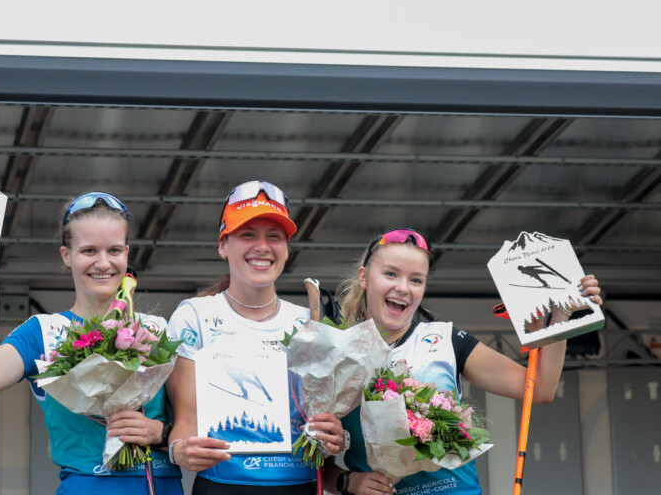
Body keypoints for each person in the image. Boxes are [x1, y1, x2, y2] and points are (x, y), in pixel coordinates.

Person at [322, 228, 603, 495]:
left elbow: (540, 388)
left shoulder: (445, 339)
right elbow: (313, 457)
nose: (403, 288)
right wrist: (348, 482)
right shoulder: (334, 355)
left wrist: (561, 316)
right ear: (364, 277)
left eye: (416, 279)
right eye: (391, 274)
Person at [0, 191, 182, 495]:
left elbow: (198, 424)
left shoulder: (159, 329)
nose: (103, 263)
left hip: (162, 485)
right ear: (67, 255)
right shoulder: (44, 332)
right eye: (89, 250)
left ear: (127, 254)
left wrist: (161, 433)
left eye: (114, 250)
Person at [165, 180, 347, 495]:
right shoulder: (194, 316)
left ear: (287, 249)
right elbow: (185, 422)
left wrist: (335, 436)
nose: (262, 247)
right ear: (223, 245)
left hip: (299, 487)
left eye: (274, 236)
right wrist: (179, 449)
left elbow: (324, 429)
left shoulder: (311, 323)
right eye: (248, 234)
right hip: (221, 486)